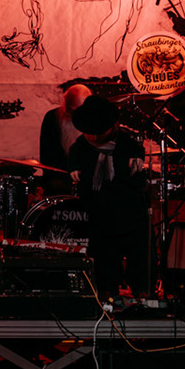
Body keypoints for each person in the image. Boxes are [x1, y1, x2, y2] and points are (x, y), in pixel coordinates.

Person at [66, 94, 152, 296]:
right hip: (98, 207)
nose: (93, 137)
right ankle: (106, 290)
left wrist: (137, 159)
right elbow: (75, 155)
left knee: (139, 249)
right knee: (103, 252)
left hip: (127, 206)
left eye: (98, 132)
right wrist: (74, 168)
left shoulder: (126, 141)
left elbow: (136, 150)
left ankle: (142, 290)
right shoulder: (81, 145)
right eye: (89, 132)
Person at [37, 81, 94, 198]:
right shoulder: (52, 118)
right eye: (71, 111)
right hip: (59, 184)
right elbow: (48, 158)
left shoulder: (96, 122)